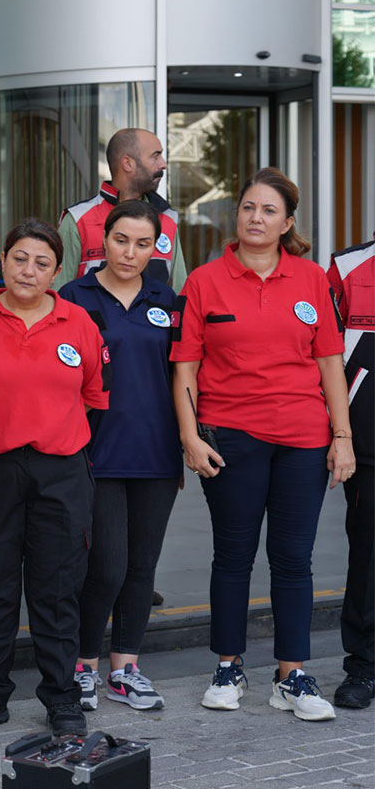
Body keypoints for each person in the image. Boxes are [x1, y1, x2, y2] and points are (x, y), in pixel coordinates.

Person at [171, 167, 353, 722]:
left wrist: (342, 437)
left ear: (287, 223)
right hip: (231, 438)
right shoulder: (204, 281)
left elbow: (329, 364)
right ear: (237, 215)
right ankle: (228, 667)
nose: (255, 217)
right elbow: (185, 366)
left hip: (302, 438)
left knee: (294, 559)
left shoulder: (310, 280)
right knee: (233, 556)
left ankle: (291, 676)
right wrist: (189, 437)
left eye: (268, 210)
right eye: (248, 207)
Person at [0, 218, 109, 739]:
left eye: (42, 262)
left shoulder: (79, 322)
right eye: (19, 258)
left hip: (61, 469)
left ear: (57, 272)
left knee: (57, 589)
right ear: (2, 261)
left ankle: (62, 696)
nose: (28, 270)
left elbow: (94, 398)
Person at [59, 200, 181, 713]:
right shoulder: (73, 295)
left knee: (141, 567)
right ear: (102, 240)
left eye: (143, 243)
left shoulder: (167, 298)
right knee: (105, 566)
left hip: (156, 450)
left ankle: (125, 669)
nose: (131, 253)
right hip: (97, 451)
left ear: (157, 248)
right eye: (121, 240)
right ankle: (83, 665)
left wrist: (191, 438)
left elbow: (183, 376)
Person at [327, 232, 375, 710]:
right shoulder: (348, 268)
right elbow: (322, 354)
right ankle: (363, 666)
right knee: (367, 559)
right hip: (368, 444)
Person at [57, 128, 187, 293]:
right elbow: (58, 296)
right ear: (128, 163)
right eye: (155, 156)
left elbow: (180, 294)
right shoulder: (78, 219)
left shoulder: (167, 218)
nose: (163, 164)